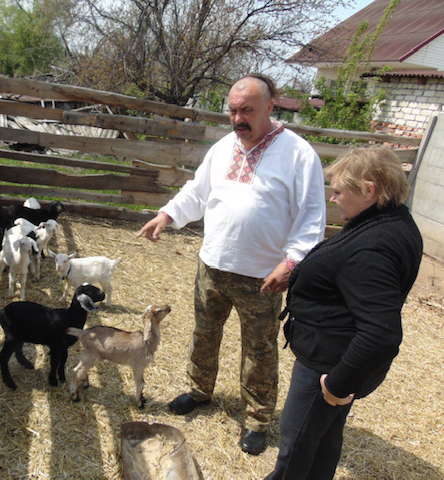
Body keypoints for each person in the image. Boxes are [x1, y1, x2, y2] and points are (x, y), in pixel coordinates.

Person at [136, 74, 326, 455]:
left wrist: (291, 263)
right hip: (213, 264)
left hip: (263, 275)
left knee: (258, 349)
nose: (238, 118)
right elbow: (198, 191)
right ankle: (199, 390)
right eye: (233, 110)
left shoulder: (299, 155)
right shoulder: (224, 146)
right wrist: (167, 215)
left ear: (272, 106)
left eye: (247, 110)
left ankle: (256, 419)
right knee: (204, 334)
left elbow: (311, 218)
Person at [265, 145, 423, 479]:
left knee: (297, 442)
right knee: (323, 436)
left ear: (369, 191)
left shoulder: (373, 247)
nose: (333, 199)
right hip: (338, 354)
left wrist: (336, 385)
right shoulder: (392, 220)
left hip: (328, 364)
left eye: (338, 191)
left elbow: (381, 335)